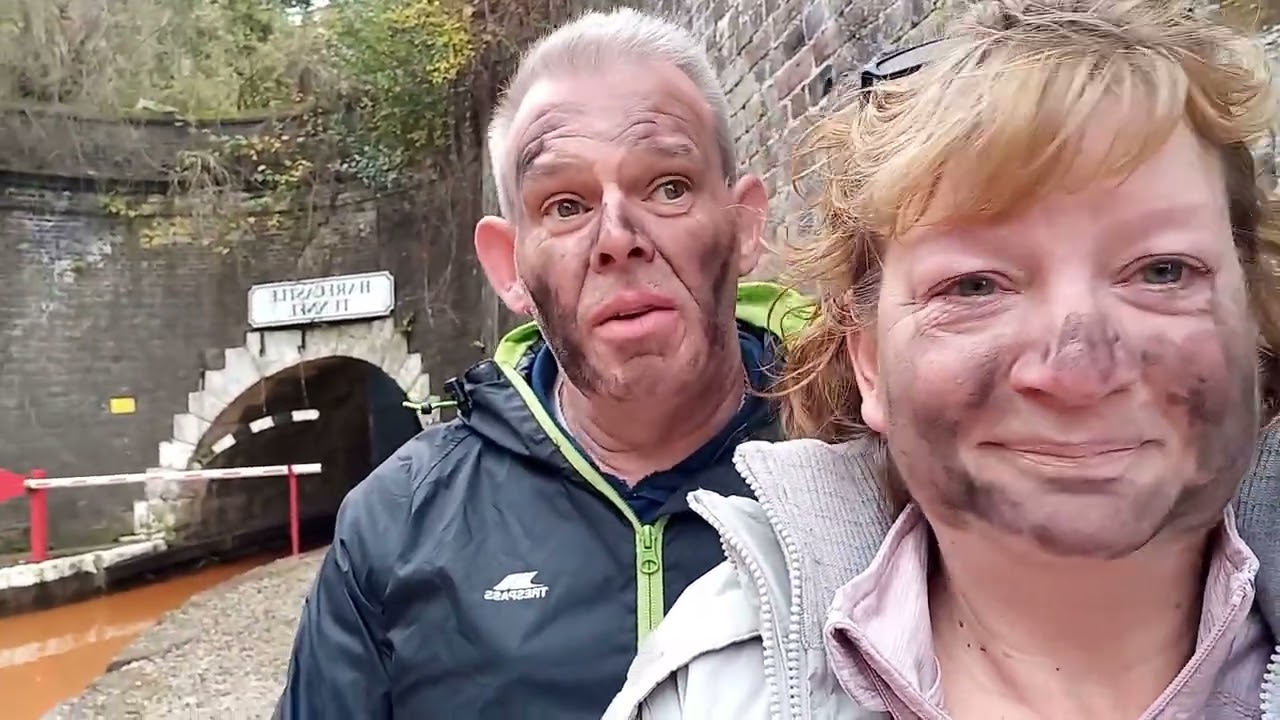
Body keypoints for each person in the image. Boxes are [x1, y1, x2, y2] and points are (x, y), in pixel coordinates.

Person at [604, 1, 1280, 718]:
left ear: (1253, 315)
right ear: (869, 365)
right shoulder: (712, 687)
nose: (1079, 372)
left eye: (1162, 271)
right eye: (975, 286)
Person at [272, 7, 808, 719]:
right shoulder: (395, 523)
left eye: (668, 186)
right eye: (564, 204)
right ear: (509, 266)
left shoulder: (872, 465)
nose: (618, 237)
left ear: (744, 226)